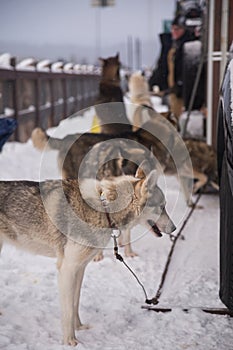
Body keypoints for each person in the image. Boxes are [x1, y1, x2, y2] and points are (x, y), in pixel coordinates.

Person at [167, 15, 196, 119]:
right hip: (175, 90)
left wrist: (180, 84)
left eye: (177, 29)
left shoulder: (187, 46)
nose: (173, 31)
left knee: (178, 118)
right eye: (172, 28)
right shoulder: (176, 45)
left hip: (183, 92)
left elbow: (186, 69)